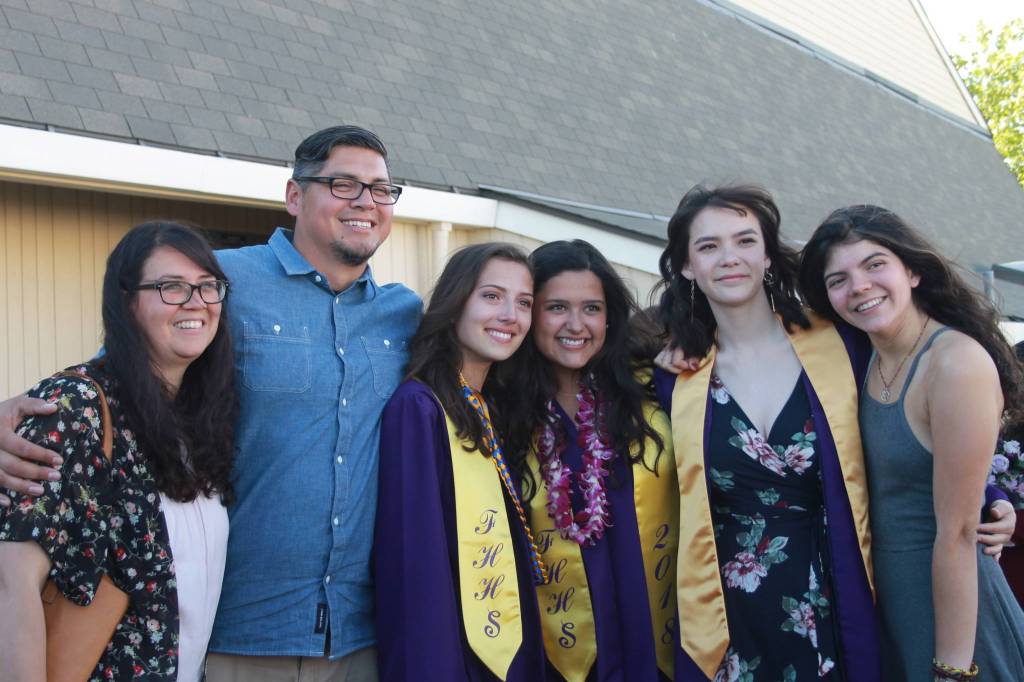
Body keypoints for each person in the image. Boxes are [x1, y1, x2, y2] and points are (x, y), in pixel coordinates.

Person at [0, 126, 423, 680]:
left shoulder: (404, 316)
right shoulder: (221, 281)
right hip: (231, 636)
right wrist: (15, 410)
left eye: (380, 189)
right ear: (294, 196)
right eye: (343, 184)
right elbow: (120, 373)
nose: (365, 202)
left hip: (358, 638)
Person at [652, 184, 880, 682]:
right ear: (687, 266)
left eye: (745, 241)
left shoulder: (842, 344)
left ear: (770, 255)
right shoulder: (675, 377)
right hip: (728, 605)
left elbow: (903, 424)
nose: (729, 258)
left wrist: (986, 494)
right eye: (708, 246)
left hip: (836, 582)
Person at [0, 221, 236, 681]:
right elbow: (12, 582)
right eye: (171, 287)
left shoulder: (201, 423)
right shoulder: (76, 407)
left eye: (209, 287)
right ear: (127, 302)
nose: (196, 303)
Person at [799, 205, 1024, 682]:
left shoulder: (955, 364)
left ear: (914, 270)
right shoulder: (857, 359)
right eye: (838, 279)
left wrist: (952, 670)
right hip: (884, 610)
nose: (859, 285)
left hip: (957, 622)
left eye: (875, 264)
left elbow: (960, 533)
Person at [497, 240, 677, 681]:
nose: (576, 325)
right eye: (556, 307)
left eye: (591, 308)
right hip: (554, 648)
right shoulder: (502, 412)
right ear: (530, 313)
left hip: (652, 635)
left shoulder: (651, 394)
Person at [373, 242, 547, 681]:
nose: (511, 314)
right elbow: (415, 566)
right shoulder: (419, 408)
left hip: (502, 641)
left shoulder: (483, 406)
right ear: (455, 304)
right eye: (491, 296)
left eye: (523, 302)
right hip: (451, 656)